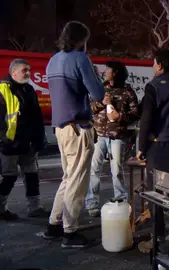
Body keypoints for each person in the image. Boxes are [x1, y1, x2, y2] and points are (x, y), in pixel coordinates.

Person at [43, 21, 105, 248]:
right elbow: (97, 93)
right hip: (78, 127)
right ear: (82, 40)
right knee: (78, 179)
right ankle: (69, 232)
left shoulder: (53, 60)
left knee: (68, 177)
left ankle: (54, 224)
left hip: (61, 127)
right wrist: (97, 77)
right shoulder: (80, 59)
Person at [136, 48, 169, 236]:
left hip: (158, 147)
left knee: (155, 193)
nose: (152, 65)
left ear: (160, 65)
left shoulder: (154, 87)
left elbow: (146, 118)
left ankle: (158, 234)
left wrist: (141, 147)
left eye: (154, 62)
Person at [85, 61, 139, 217]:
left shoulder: (127, 91)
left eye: (107, 69)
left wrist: (120, 116)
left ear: (115, 72)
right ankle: (92, 204)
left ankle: (121, 201)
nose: (104, 72)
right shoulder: (99, 89)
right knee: (94, 170)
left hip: (117, 136)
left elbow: (135, 114)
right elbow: (89, 108)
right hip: (99, 134)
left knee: (116, 170)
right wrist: (102, 103)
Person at [0, 59, 48, 221]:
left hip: (27, 143)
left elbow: (36, 117)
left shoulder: (29, 89)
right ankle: (0, 208)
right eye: (24, 70)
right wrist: (3, 140)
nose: (28, 73)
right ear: (13, 72)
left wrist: (39, 139)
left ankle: (34, 208)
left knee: (32, 176)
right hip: (10, 143)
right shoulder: (2, 90)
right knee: (9, 176)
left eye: (29, 70)